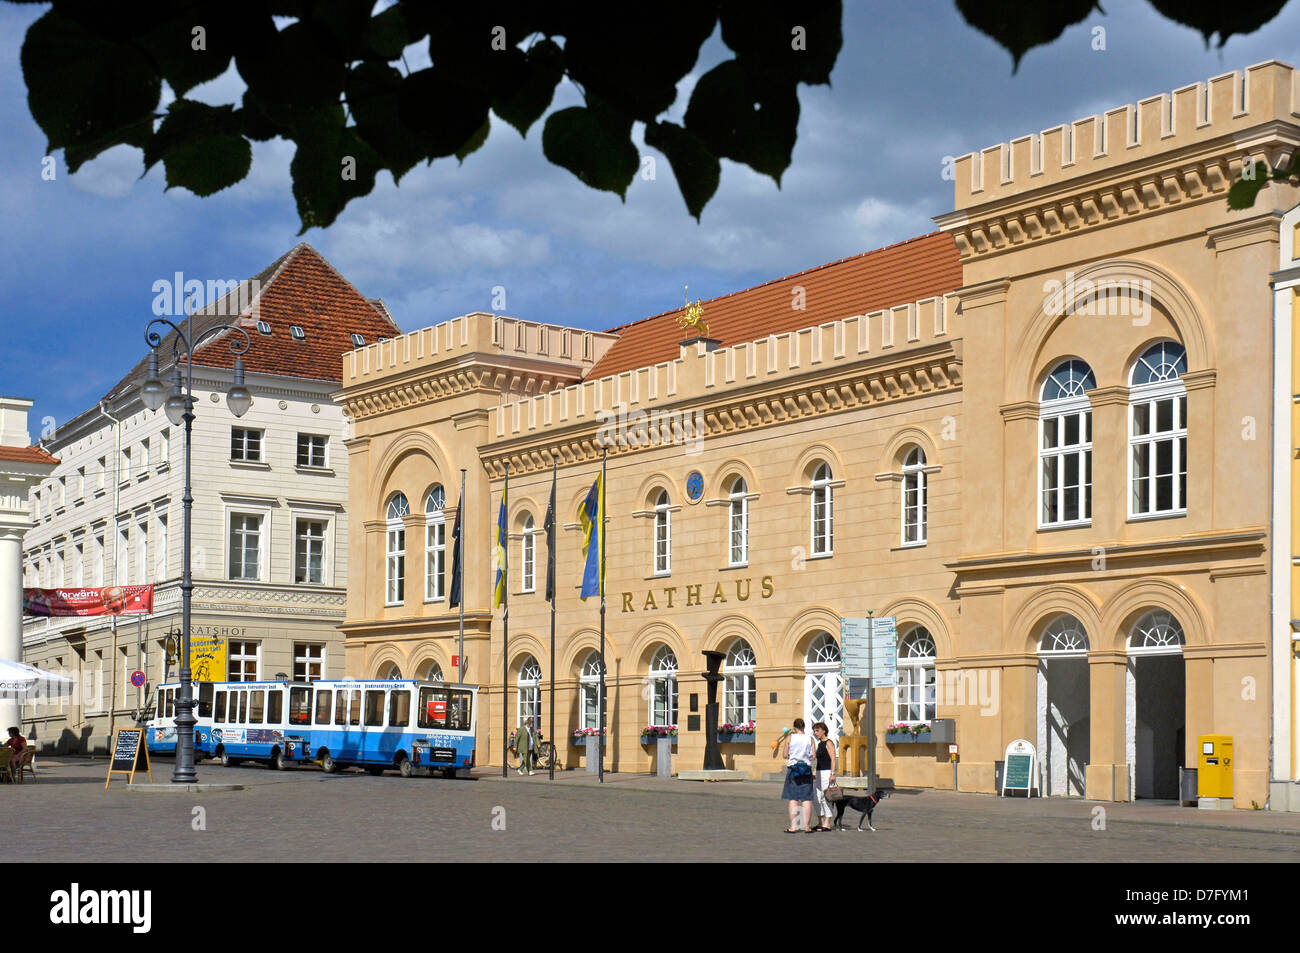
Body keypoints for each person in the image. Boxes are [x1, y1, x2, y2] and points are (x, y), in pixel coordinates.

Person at [778, 718, 816, 832]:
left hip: (793, 768)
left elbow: (785, 754)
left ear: (794, 727)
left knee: (793, 798)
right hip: (806, 769)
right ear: (804, 727)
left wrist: (793, 755)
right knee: (806, 799)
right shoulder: (810, 739)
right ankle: (807, 827)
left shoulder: (790, 738)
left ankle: (793, 827)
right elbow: (813, 756)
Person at [810, 722, 838, 831]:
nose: (815, 733)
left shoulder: (828, 742)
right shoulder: (820, 744)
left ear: (823, 730)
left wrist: (832, 774)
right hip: (819, 772)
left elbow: (833, 759)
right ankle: (820, 821)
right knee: (816, 797)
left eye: (817, 730)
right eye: (814, 731)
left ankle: (827, 822)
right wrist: (814, 770)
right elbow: (818, 760)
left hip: (826, 772)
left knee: (826, 797)